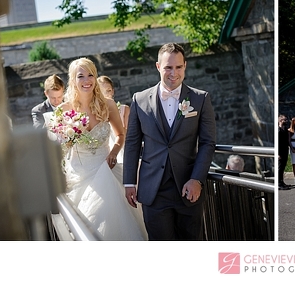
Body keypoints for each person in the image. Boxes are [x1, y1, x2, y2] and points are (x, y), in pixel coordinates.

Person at [123, 43, 216, 240]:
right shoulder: (139, 100)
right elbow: (132, 143)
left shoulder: (200, 99)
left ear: (185, 66)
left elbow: (208, 142)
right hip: (153, 191)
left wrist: (197, 179)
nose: (173, 73)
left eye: (178, 67)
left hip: (188, 188)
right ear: (158, 67)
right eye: (168, 67)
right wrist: (129, 181)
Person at [59, 57, 146, 240]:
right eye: (80, 76)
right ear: (73, 80)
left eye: (90, 75)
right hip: (79, 175)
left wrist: (114, 152)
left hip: (106, 167)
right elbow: (59, 147)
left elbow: (122, 135)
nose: (86, 80)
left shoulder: (108, 104)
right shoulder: (64, 110)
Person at [99, 75, 129, 167]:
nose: (106, 94)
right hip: (103, 154)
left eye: (108, 90)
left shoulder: (124, 109)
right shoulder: (95, 114)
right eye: (102, 92)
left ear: (113, 91)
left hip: (122, 151)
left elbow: (128, 135)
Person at [277, 115, 290, 190]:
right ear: (281, 120)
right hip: (280, 151)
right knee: (280, 167)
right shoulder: (278, 130)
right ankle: (278, 183)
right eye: (285, 120)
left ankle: (281, 181)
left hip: (285, 150)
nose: (286, 121)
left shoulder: (284, 129)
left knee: (283, 167)